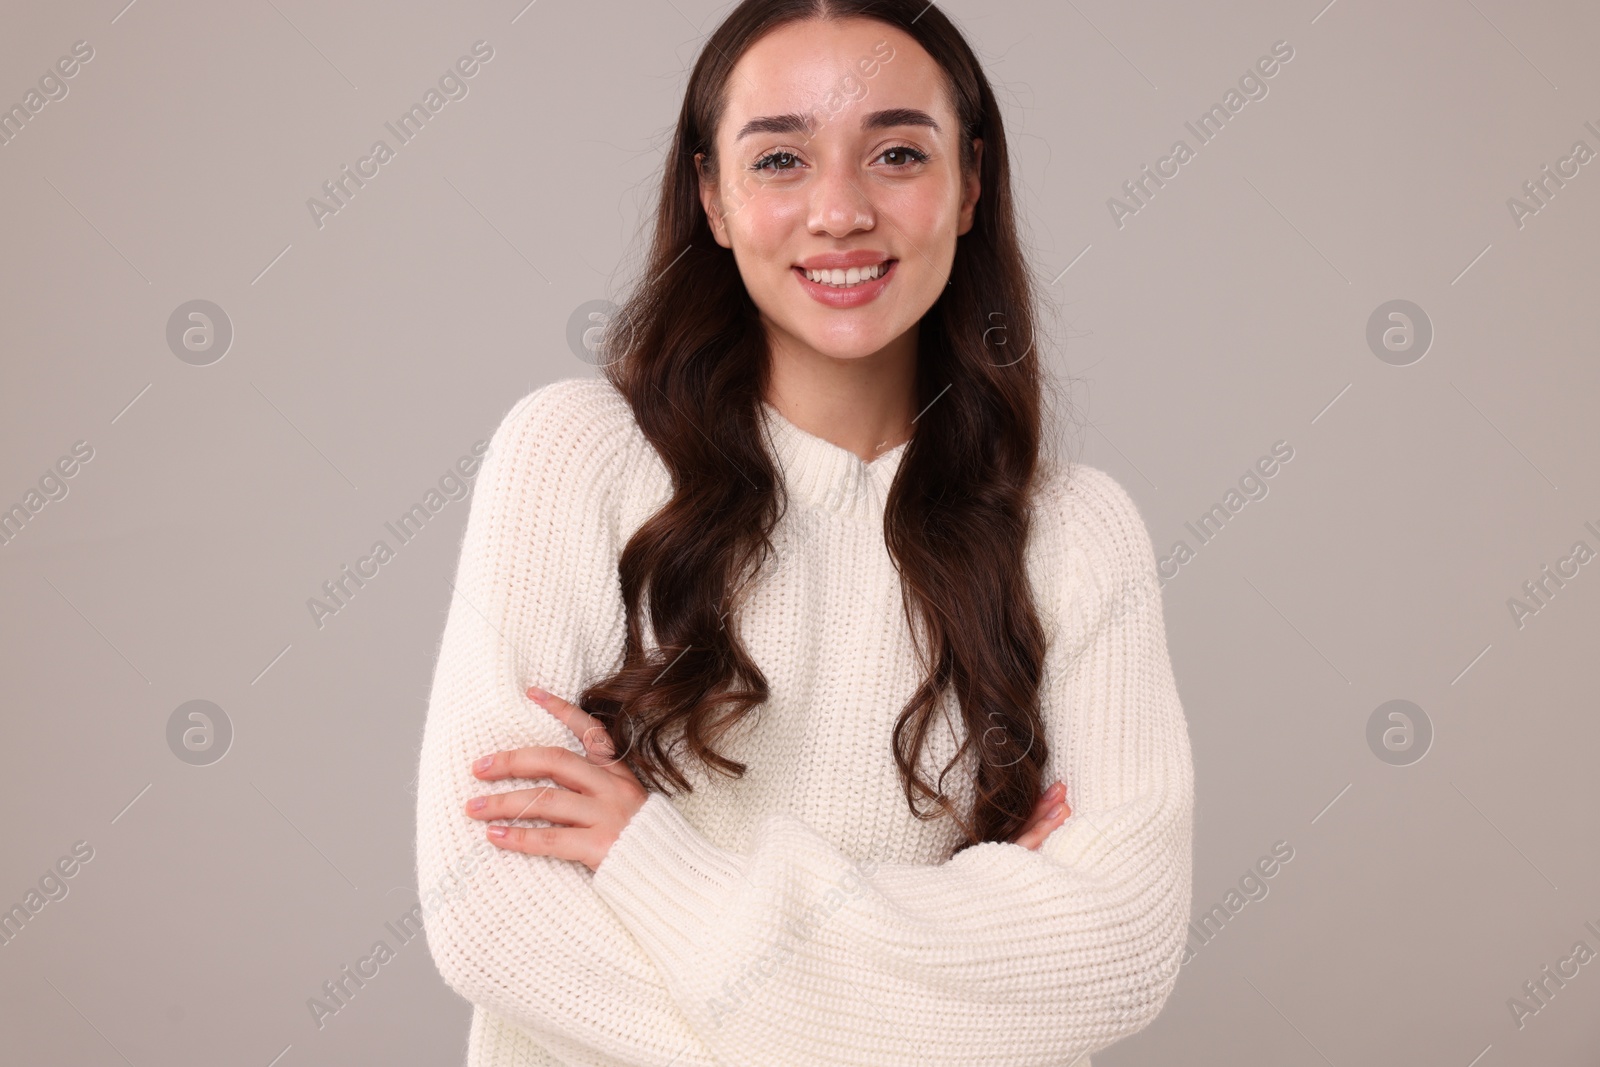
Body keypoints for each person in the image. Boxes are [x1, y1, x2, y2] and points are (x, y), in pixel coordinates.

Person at [413, 2, 1194, 1065]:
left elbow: (1114, 956)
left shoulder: (1072, 534)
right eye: (780, 156)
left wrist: (650, 860)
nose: (839, 209)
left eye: (896, 152)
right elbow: (494, 915)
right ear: (712, 197)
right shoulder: (576, 456)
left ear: (970, 185)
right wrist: (958, 963)